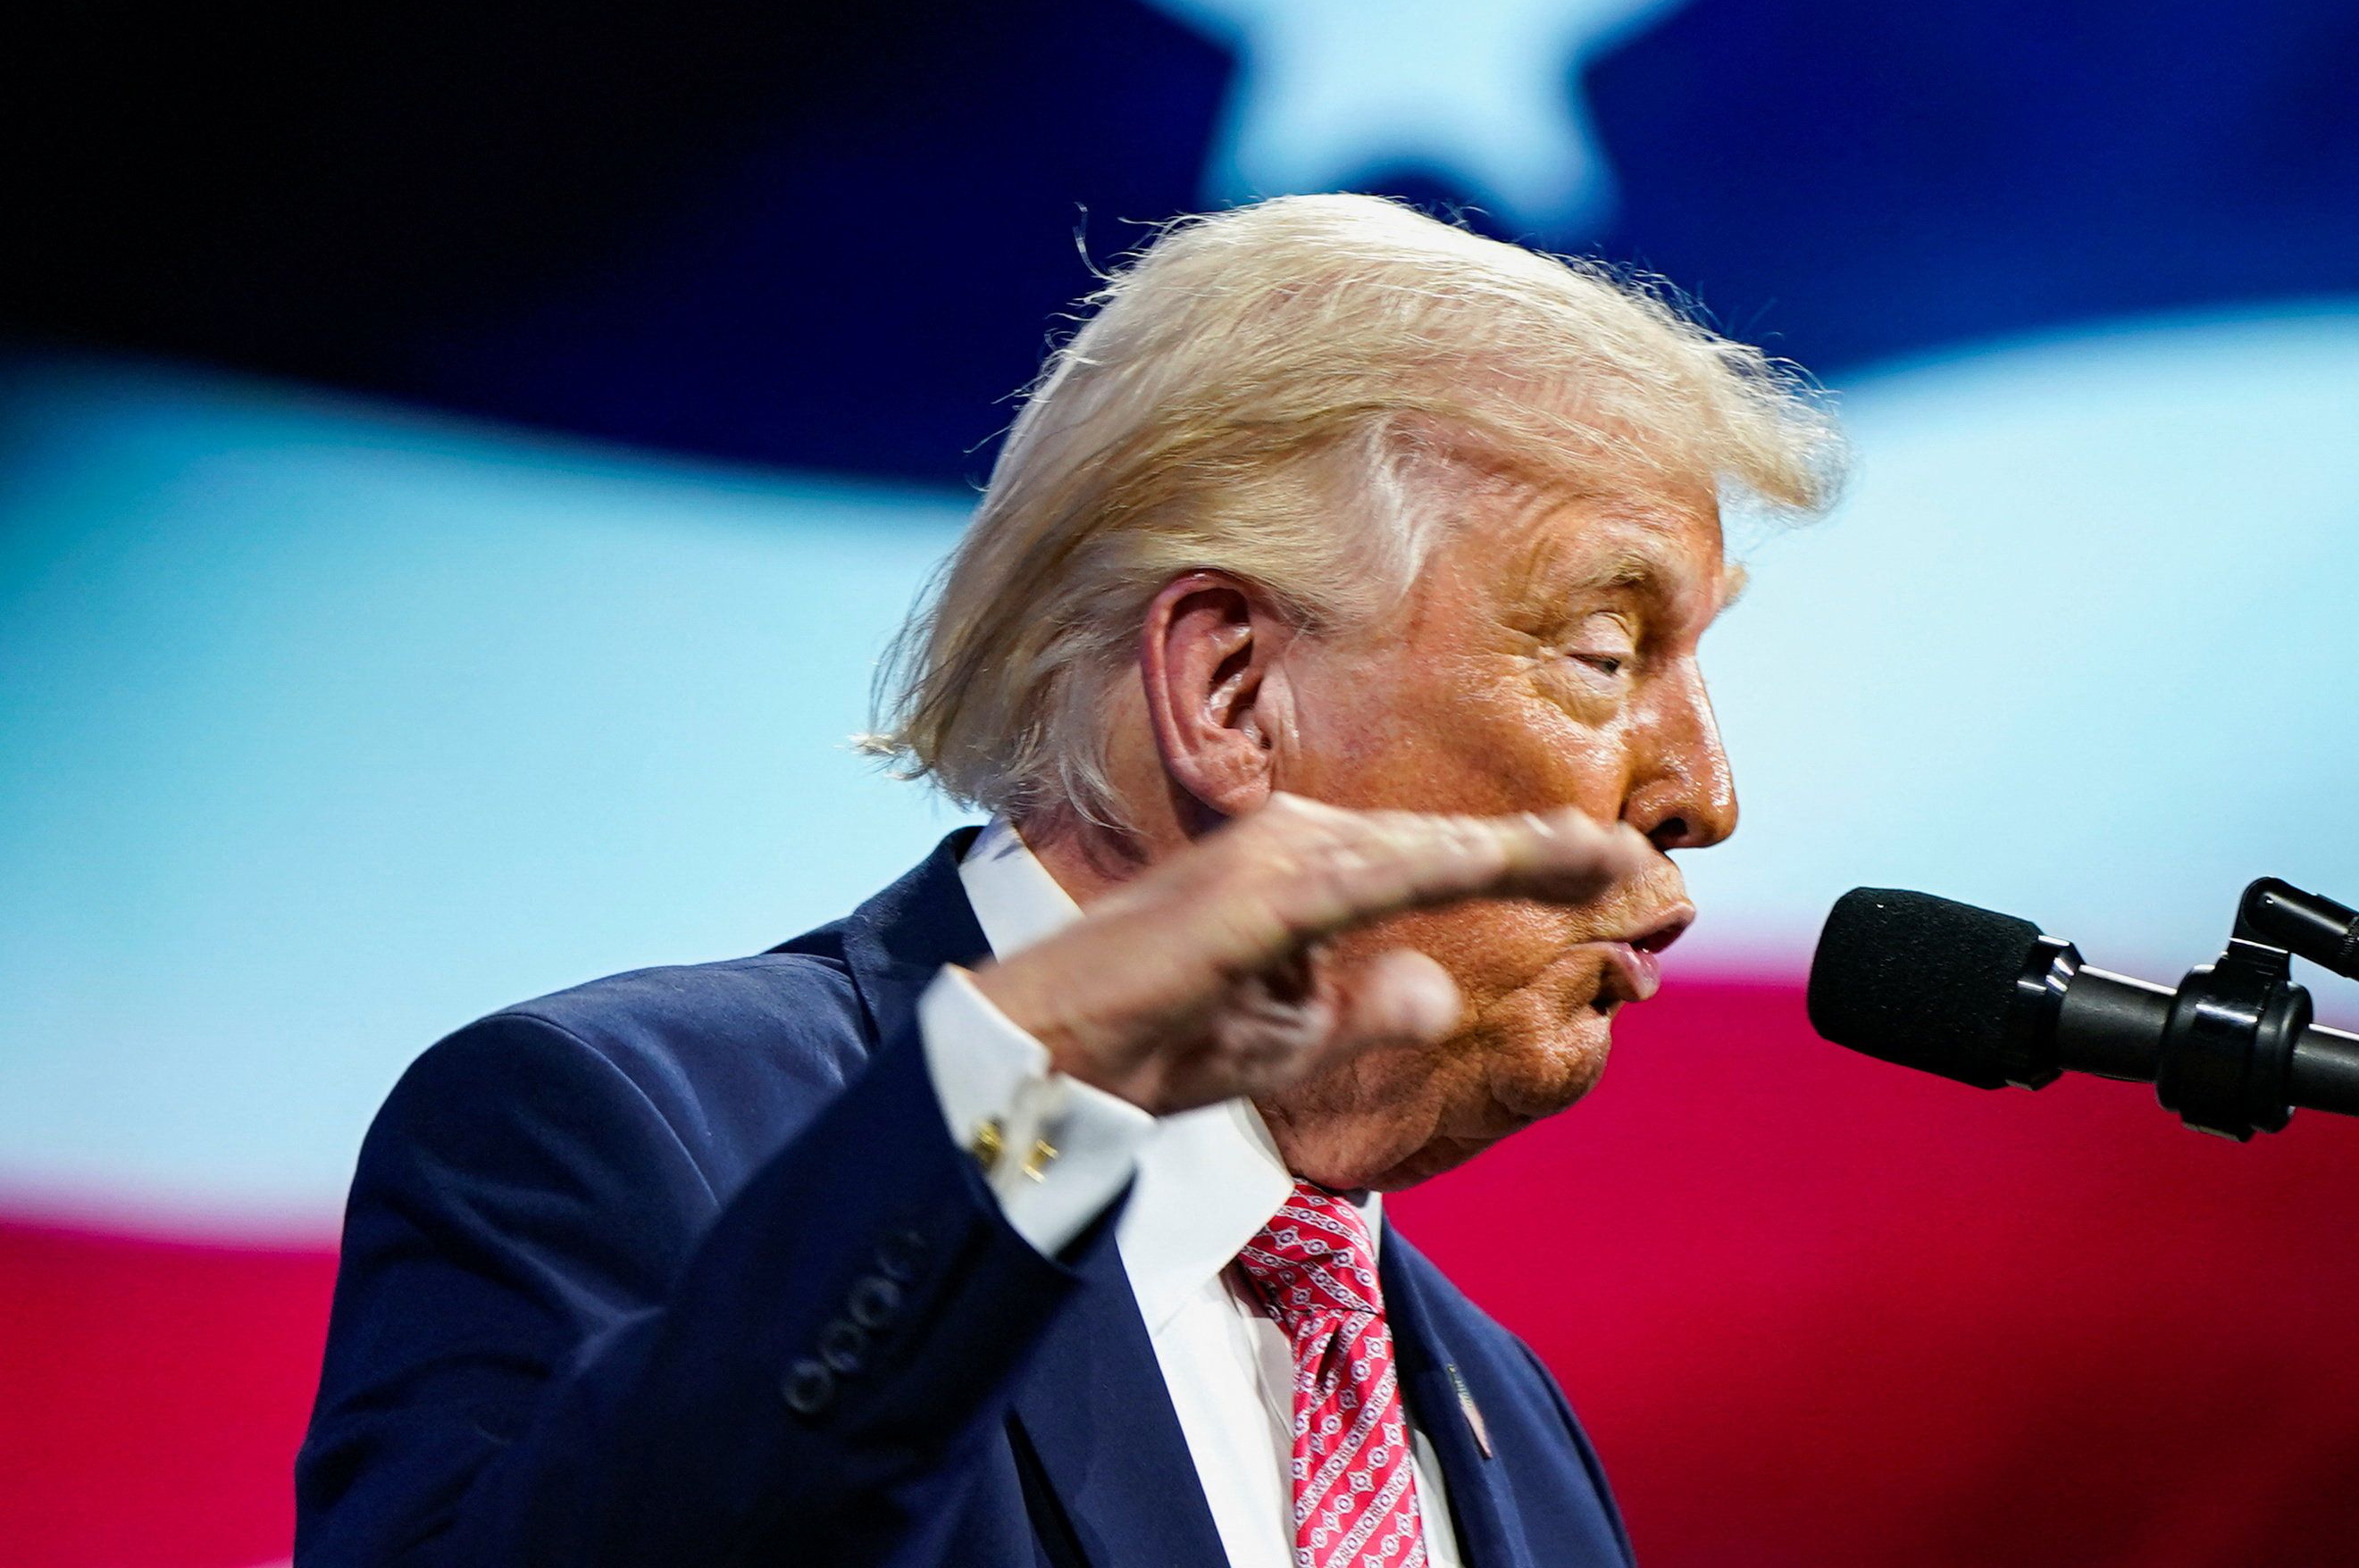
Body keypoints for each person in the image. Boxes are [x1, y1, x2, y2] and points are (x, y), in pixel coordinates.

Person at [296, 193, 1845, 1567]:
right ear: (1232, 691)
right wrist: (1023, 1110)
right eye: (1604, 652)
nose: (1705, 794)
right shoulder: (630, 1134)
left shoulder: (1515, 1425)